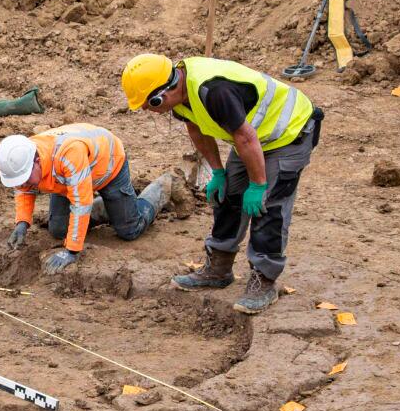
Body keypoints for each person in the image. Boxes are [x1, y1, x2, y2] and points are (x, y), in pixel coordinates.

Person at [121, 53, 321, 314]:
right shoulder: (181, 96)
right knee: (228, 197)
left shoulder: (213, 91)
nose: (149, 111)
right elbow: (197, 128)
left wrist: (259, 185)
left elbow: (245, 137)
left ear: (163, 93)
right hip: (251, 137)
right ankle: (218, 269)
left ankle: (265, 279)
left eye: (149, 105)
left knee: (266, 206)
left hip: (289, 132)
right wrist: (218, 172)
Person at [0, 123, 172, 274]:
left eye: (25, 178)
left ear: (36, 161)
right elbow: (23, 189)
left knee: (130, 230)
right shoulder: (23, 156)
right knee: (58, 230)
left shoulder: (68, 154)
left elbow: (81, 203)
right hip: (68, 180)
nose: (23, 184)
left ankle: (162, 187)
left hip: (108, 166)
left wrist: (71, 251)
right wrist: (22, 223)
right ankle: (109, 206)